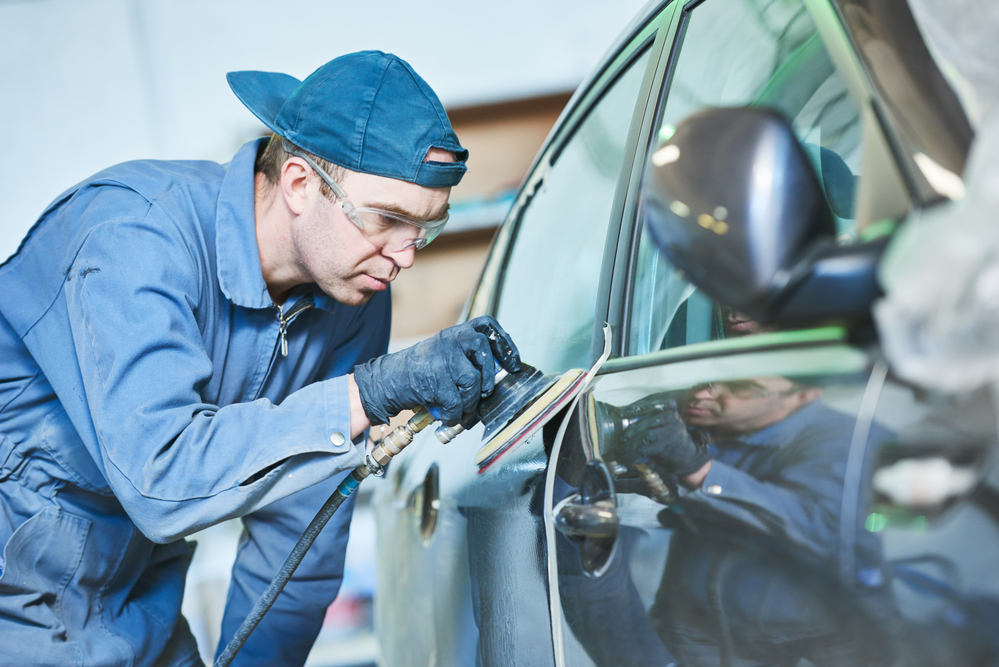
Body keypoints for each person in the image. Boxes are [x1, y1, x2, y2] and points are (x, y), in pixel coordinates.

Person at [0, 50, 520, 666]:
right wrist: (369, 394)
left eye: (424, 230)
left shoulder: (351, 293)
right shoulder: (132, 237)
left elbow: (301, 538)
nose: (405, 256)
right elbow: (160, 476)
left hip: (137, 617)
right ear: (300, 185)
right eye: (388, 220)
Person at [596, 377, 896, 667]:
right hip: (700, 625)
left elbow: (826, 529)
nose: (704, 394)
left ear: (804, 394)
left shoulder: (852, 442)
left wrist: (698, 470)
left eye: (740, 388)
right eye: (706, 378)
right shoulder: (686, 412)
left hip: (829, 626)